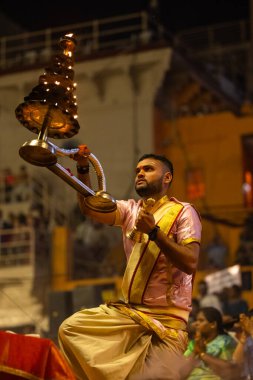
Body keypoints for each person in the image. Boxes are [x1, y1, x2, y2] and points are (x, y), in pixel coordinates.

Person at [58, 146, 202, 380]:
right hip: (129, 315)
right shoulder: (130, 210)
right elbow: (89, 207)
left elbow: (191, 262)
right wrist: (83, 169)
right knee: (71, 328)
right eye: (137, 170)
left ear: (167, 178)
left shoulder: (183, 212)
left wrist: (155, 233)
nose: (140, 173)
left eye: (148, 169)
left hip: (168, 324)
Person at [181, 306, 237, 379]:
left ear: (213, 324)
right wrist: (195, 352)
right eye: (196, 320)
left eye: (201, 320)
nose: (196, 324)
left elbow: (229, 370)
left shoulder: (225, 342)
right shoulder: (193, 344)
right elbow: (182, 373)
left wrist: (202, 354)